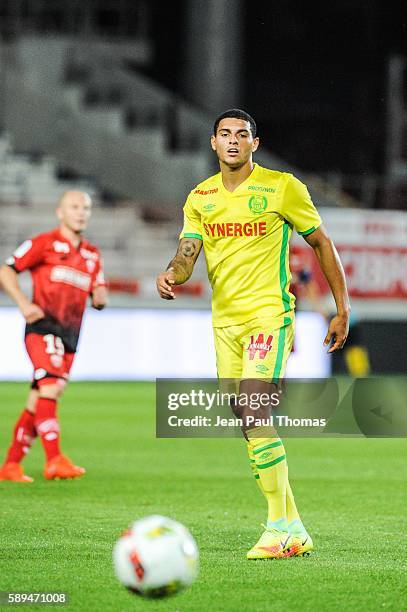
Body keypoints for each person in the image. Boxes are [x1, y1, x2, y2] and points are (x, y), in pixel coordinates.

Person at [156, 109, 350, 559]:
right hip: (224, 323)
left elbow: (321, 242)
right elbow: (188, 252)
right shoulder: (200, 198)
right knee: (248, 422)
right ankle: (292, 526)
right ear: (213, 142)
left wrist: (341, 308)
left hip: (269, 316)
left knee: (251, 406)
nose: (232, 142)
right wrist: (172, 272)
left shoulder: (282, 187)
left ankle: (279, 526)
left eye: (241, 135)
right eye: (224, 135)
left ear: (254, 144)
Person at [0, 191, 108, 482]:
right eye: (74, 207)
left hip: (71, 335)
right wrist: (24, 304)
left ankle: (11, 465)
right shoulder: (43, 244)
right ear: (60, 212)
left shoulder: (92, 254)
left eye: (85, 207)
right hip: (43, 327)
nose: (81, 212)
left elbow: (99, 292)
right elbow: (7, 271)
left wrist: (99, 296)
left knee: (40, 397)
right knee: (50, 389)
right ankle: (54, 459)